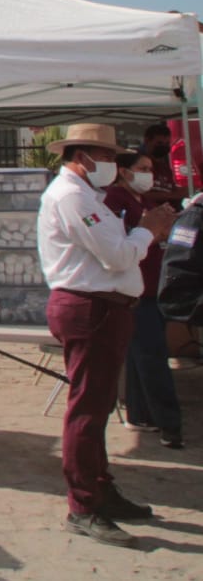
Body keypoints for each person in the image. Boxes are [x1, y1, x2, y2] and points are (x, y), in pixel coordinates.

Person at [37, 122, 177, 547]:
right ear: (83, 158)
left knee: (95, 409)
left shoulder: (85, 196)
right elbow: (117, 255)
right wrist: (148, 229)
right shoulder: (72, 197)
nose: (115, 167)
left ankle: (99, 490)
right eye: (109, 158)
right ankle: (83, 505)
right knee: (87, 410)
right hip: (91, 309)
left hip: (104, 308)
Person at [104, 151, 184, 449]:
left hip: (152, 288)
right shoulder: (115, 200)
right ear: (124, 171)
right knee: (151, 357)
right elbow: (122, 242)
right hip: (134, 293)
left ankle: (141, 413)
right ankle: (170, 425)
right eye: (142, 168)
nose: (149, 174)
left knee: (141, 356)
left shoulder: (145, 201)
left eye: (150, 169)